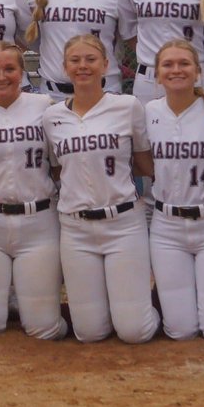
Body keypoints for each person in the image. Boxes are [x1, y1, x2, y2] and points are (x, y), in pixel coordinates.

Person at [42, 34, 160, 343]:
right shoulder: (52, 117)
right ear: (65, 66)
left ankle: (150, 310)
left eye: (91, 59)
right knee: (89, 332)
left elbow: (144, 164)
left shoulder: (128, 106)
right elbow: (58, 169)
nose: (83, 66)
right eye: (75, 60)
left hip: (122, 222)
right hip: (76, 227)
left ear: (106, 65)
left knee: (134, 332)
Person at [0, 42, 67, 340]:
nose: (1, 76)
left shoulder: (45, 106)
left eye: (9, 69)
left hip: (38, 222)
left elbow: (61, 164)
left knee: (44, 329)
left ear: (22, 72)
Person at [145, 39, 204, 342]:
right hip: (166, 227)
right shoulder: (147, 112)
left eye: (184, 63)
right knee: (180, 330)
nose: (177, 70)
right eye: (168, 64)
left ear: (198, 71)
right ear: (157, 74)